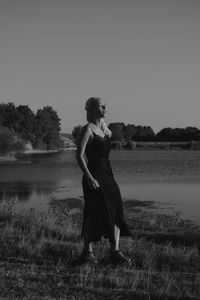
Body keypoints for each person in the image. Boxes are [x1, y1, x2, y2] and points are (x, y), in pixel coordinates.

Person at [76, 97, 132, 265]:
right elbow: (79, 156)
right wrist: (89, 177)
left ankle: (114, 252)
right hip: (93, 176)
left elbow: (105, 155)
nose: (106, 107)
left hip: (108, 176)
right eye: (102, 106)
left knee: (115, 210)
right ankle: (87, 254)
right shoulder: (87, 130)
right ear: (93, 109)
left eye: (105, 105)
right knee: (93, 213)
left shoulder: (105, 130)